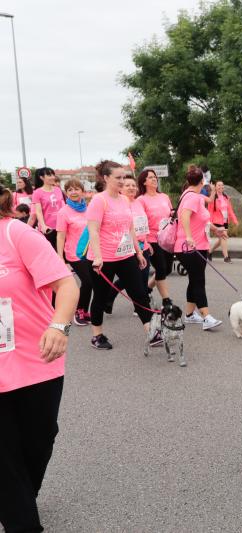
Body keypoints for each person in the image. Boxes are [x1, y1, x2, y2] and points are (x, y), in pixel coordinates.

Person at [0, 183, 79, 533]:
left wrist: (59, 327)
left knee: (38, 440)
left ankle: (16, 499)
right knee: (3, 459)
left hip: (37, 361)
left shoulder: (16, 234)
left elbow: (66, 285)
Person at [85, 160, 154, 350]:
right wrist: (98, 257)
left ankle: (151, 331)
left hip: (125, 255)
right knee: (100, 297)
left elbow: (129, 227)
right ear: (106, 178)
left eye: (124, 176)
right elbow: (94, 231)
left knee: (139, 293)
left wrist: (138, 252)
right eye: (118, 177)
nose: (123, 181)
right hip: (103, 258)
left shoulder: (124, 199)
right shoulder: (99, 200)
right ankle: (97, 335)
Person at [174, 165, 225, 331]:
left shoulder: (191, 195)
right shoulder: (193, 197)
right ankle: (206, 316)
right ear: (203, 181)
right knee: (198, 281)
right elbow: (185, 216)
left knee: (194, 279)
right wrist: (189, 236)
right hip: (190, 246)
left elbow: (201, 217)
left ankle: (189, 315)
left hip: (195, 245)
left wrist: (215, 229)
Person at [56, 179, 94, 326]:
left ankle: (85, 310)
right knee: (88, 281)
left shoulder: (89, 209)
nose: (73, 192)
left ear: (82, 192)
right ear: (66, 193)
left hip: (90, 252)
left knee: (91, 284)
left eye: (76, 189)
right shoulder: (63, 212)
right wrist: (61, 258)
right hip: (74, 254)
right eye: (70, 190)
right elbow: (60, 236)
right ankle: (79, 310)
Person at [136, 168, 173, 303]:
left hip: (167, 238)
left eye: (155, 177)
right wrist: (145, 242)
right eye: (150, 177)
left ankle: (147, 289)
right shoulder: (141, 200)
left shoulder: (164, 197)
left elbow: (170, 213)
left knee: (167, 269)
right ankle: (166, 301)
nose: (154, 179)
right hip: (151, 239)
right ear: (144, 182)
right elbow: (140, 222)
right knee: (161, 268)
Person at [30, 168, 65, 250]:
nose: (53, 177)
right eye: (49, 175)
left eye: (53, 175)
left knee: (62, 253)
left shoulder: (58, 190)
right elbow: (38, 212)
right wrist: (43, 226)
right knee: (51, 252)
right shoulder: (37, 192)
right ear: (42, 177)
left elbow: (63, 207)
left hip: (61, 226)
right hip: (48, 229)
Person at [208, 180, 238, 263]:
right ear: (215, 187)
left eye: (222, 185)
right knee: (224, 237)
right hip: (216, 221)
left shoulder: (226, 197)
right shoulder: (213, 197)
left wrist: (235, 220)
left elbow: (230, 210)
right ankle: (226, 257)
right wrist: (210, 222)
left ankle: (209, 252)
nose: (221, 187)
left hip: (225, 221)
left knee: (221, 239)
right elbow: (209, 211)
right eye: (219, 185)